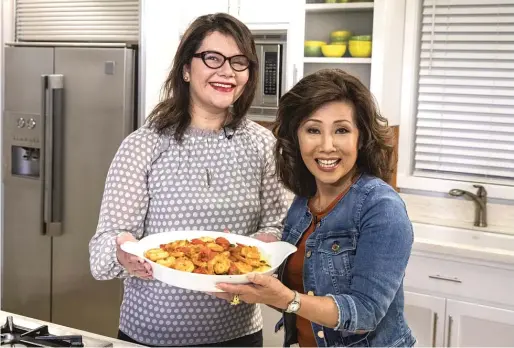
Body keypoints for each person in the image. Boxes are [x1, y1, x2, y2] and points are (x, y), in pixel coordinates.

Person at [88, 13, 290, 347]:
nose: (227, 71)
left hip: (237, 335)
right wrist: (122, 249)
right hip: (151, 335)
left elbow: (279, 223)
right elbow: (101, 255)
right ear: (186, 69)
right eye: (213, 58)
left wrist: (264, 243)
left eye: (239, 62)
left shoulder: (262, 145)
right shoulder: (144, 145)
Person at [214, 68, 416, 347]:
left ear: (361, 137)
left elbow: (365, 314)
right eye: (313, 130)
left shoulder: (381, 207)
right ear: (296, 137)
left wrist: (285, 298)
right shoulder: (303, 203)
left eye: (342, 130)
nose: (327, 145)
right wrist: (245, 280)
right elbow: (300, 297)